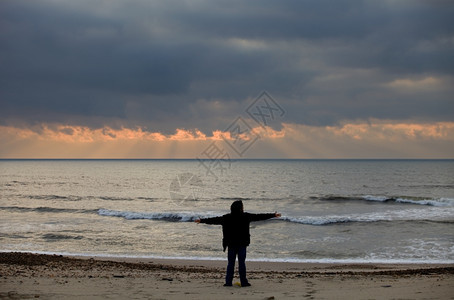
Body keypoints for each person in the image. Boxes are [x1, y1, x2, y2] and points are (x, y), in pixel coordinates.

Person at [195, 200, 281, 287]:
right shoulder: (246, 216)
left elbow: (214, 220)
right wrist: (273, 215)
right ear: (240, 208)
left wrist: (201, 220)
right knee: (242, 263)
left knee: (231, 263)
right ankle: (243, 282)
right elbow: (259, 216)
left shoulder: (226, 217)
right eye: (242, 207)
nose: (243, 208)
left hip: (231, 244)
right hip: (242, 244)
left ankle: (228, 283)